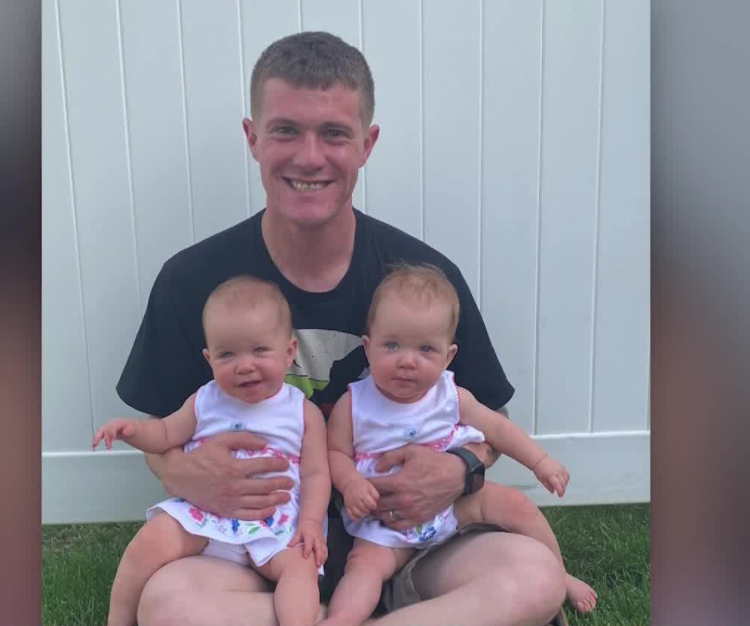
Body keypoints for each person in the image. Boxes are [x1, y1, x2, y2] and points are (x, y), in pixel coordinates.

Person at [117, 31, 568, 626]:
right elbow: (162, 433)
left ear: (366, 144)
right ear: (252, 138)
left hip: (410, 540)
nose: (310, 157)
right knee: (169, 605)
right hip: (257, 547)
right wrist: (185, 473)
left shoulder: (423, 279)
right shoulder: (192, 280)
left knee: (534, 577)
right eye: (286, 130)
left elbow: (489, 419)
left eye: (333, 133)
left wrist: (461, 468)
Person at [320, 264, 597, 626]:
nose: (407, 360)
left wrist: (540, 461)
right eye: (392, 345)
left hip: (454, 503)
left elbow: (497, 428)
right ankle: (340, 620)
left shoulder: (451, 396)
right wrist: (351, 483)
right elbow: (335, 454)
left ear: (448, 356)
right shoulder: (353, 404)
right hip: (384, 519)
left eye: (425, 349)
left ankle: (560, 575)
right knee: (363, 567)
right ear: (368, 348)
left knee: (517, 506)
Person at [95, 277, 330, 626]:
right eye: (227, 354)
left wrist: (310, 523)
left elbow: (316, 473)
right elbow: (165, 433)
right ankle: (118, 619)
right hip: (206, 517)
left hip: (276, 524)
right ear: (209, 358)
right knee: (151, 539)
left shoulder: (302, 411)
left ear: (289, 351)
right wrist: (133, 431)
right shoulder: (205, 401)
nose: (244, 365)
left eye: (259, 350)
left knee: (301, 568)